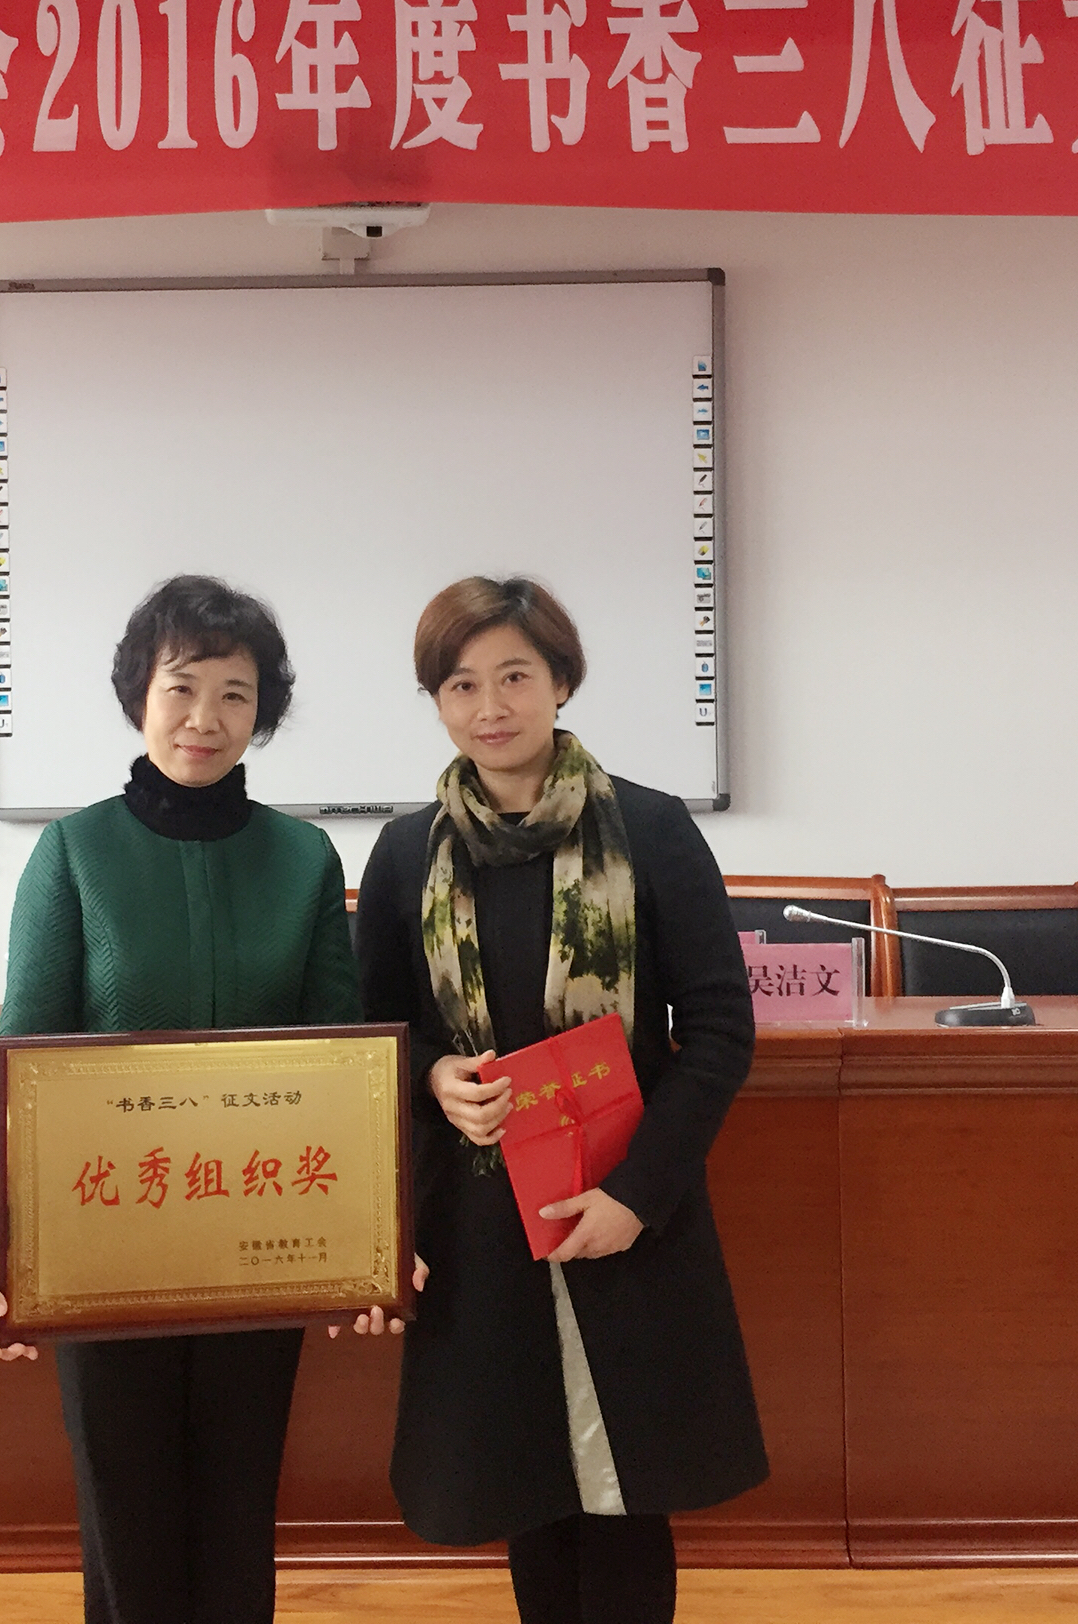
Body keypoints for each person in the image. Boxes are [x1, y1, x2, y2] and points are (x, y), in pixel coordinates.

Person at [355, 576, 768, 1624]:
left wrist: (638, 1195)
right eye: (460, 684)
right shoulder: (407, 855)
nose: (490, 706)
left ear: (561, 682)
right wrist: (433, 1077)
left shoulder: (651, 830)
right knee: (527, 1483)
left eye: (515, 676)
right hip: (482, 1223)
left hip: (624, 1211)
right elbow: (378, 1037)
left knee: (628, 1492)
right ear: (435, 701)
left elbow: (720, 1029)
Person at [0, 573, 359, 1624]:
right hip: (104, 1239)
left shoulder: (304, 859)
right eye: (182, 687)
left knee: (237, 1514)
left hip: (261, 1237)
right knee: (126, 1521)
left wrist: (368, 1236)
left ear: (262, 712)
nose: (204, 719)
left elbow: (341, 1064)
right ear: (140, 693)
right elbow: (22, 1058)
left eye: (235, 694)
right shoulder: (74, 853)